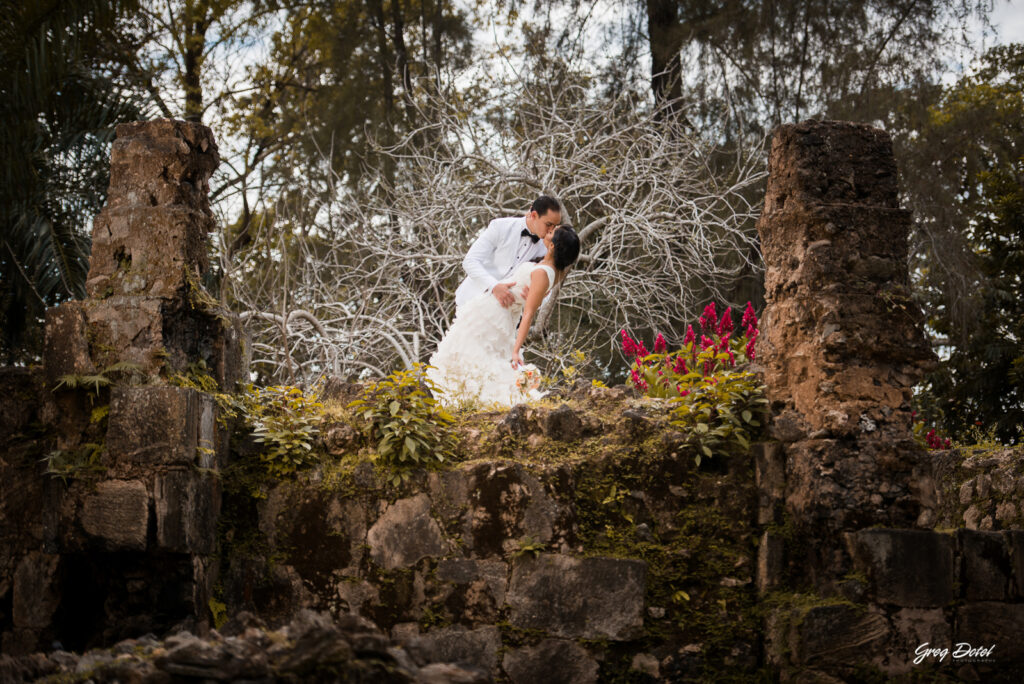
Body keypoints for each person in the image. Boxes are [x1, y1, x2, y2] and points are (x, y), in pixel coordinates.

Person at [428, 223, 581, 407]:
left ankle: (460, 396)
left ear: (553, 246)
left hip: (495, 313)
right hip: (497, 311)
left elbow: (529, 313)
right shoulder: (553, 270)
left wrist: (516, 351)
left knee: (472, 354)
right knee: (469, 351)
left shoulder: (543, 272)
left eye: (551, 233)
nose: (548, 231)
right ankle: (456, 394)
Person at [454, 196, 562, 310]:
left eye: (555, 226)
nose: (551, 230)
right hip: (470, 302)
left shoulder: (548, 248)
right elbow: (470, 261)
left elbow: (547, 289)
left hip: (504, 314)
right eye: (548, 224)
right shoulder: (500, 226)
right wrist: (494, 286)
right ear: (534, 215)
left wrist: (537, 299)